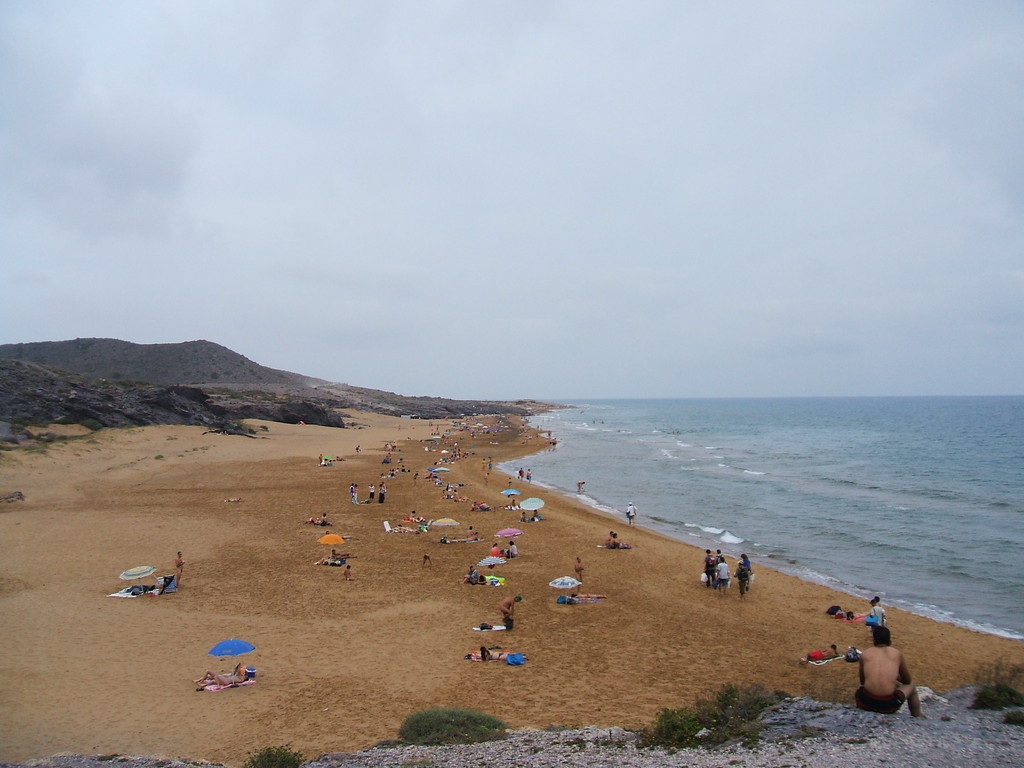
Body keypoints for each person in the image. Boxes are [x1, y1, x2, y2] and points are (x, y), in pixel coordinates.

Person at [856, 626, 922, 716]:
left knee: (861, 687)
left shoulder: (865, 654)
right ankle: (917, 715)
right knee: (911, 687)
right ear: (890, 641)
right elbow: (907, 681)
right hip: (887, 706)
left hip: (865, 703)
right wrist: (896, 676)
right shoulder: (897, 654)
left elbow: (863, 681)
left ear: (874, 641)